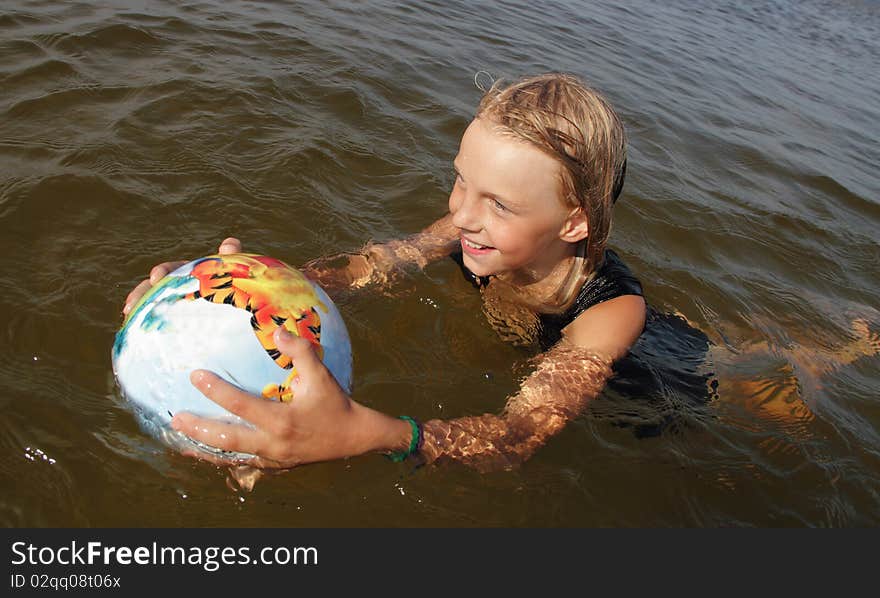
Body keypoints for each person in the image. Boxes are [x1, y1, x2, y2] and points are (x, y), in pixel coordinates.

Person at [122, 73, 877, 475]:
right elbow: (362, 271)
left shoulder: (612, 314)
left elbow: (518, 436)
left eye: (499, 204)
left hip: (656, 378)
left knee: (761, 389)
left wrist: (370, 434)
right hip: (544, 336)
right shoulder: (468, 229)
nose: (463, 215)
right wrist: (228, 288)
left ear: (575, 222)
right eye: (460, 182)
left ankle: (837, 352)